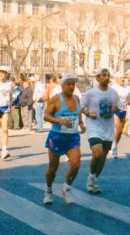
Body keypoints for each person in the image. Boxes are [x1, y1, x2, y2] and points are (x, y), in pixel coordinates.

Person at [43, 73, 86, 205]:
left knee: (76, 164)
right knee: (53, 168)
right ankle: (48, 190)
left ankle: (66, 188)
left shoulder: (76, 99)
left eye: (73, 84)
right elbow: (46, 116)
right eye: (68, 84)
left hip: (72, 137)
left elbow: (78, 113)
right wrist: (59, 121)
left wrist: (81, 124)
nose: (71, 87)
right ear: (62, 86)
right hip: (57, 136)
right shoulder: (56, 99)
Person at [81, 68, 120, 194]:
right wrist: (87, 113)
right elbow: (80, 106)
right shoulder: (91, 93)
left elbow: (120, 107)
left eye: (108, 75)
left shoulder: (113, 93)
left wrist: (116, 108)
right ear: (97, 78)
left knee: (103, 157)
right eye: (103, 75)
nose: (106, 77)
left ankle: (93, 180)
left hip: (107, 128)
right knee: (97, 153)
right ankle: (91, 177)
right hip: (94, 127)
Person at [111, 72, 130, 157]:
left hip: (123, 110)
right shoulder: (112, 88)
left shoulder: (128, 88)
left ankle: (114, 145)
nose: (122, 79)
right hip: (114, 111)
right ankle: (113, 147)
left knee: (119, 132)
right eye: (120, 78)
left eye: (123, 77)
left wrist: (129, 101)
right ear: (116, 79)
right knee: (117, 129)